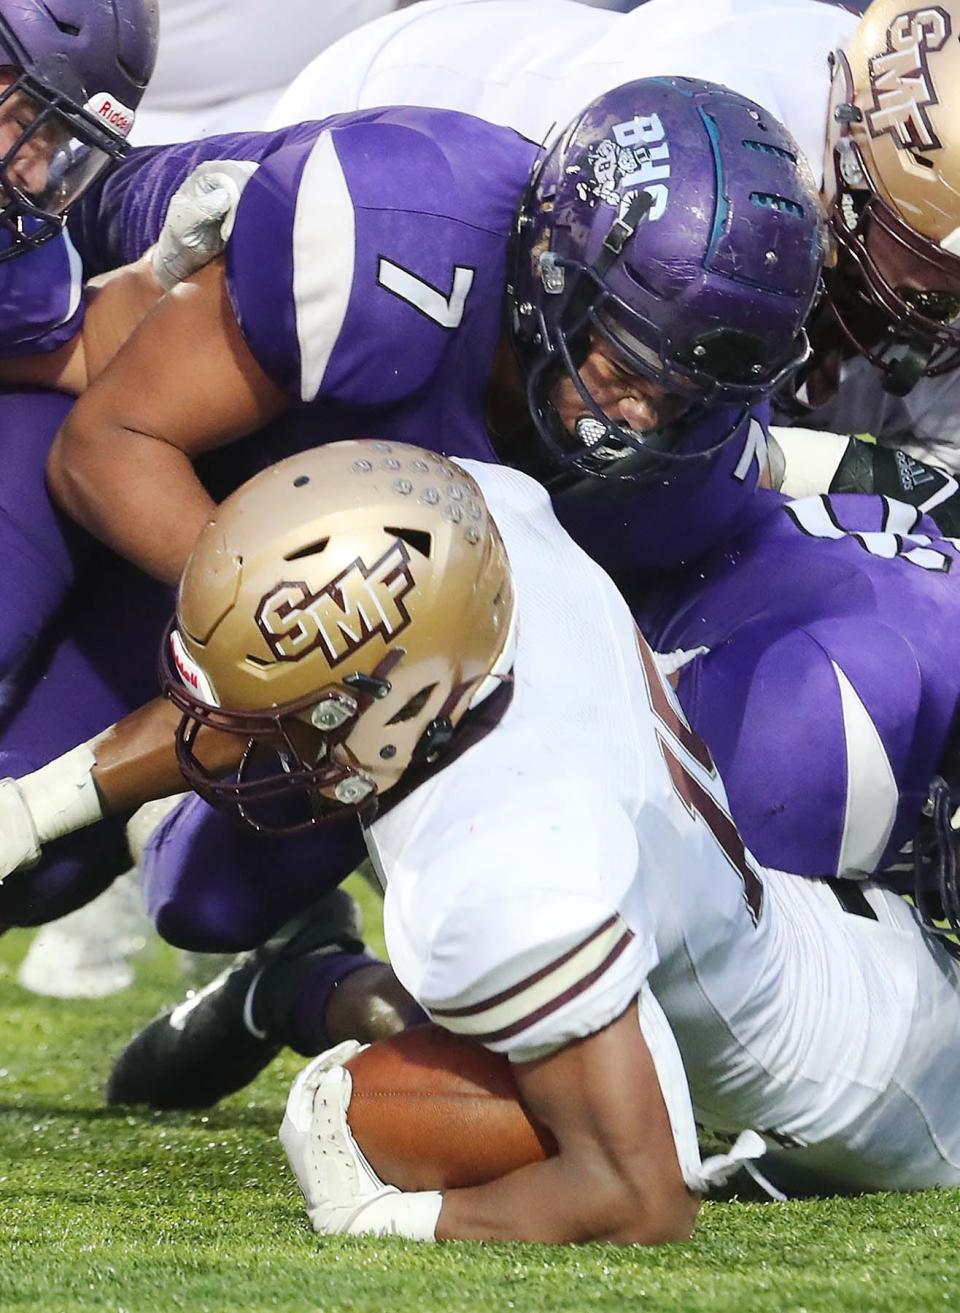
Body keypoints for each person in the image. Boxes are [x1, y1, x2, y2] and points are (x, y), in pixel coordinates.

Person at [83, 438, 960, 1242]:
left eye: (292, 722)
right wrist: (37, 807)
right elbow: (287, 686)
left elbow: (641, 1199)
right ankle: (306, 987)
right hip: (828, 950)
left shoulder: (508, 856)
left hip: (872, 1106)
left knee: (350, 1116)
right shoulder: (480, 523)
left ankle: (308, 991)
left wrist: (391, 1218)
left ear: (396, 709)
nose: (265, 740)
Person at [268, 0, 960, 493]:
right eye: (943, 270)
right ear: (865, 182)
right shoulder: (720, 165)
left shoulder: (877, 137)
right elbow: (615, 429)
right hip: (390, 160)